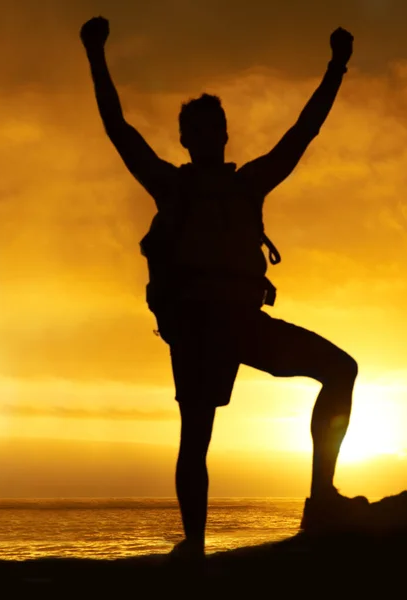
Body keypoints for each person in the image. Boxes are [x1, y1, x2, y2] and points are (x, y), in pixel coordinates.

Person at [80, 16, 368, 559]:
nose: (211, 136)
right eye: (201, 129)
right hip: (197, 329)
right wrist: (95, 54)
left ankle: (321, 498)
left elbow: (302, 134)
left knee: (340, 370)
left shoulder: (248, 185)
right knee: (196, 435)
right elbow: (118, 128)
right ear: (188, 139)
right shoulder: (171, 187)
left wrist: (336, 68)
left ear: (224, 134)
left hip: (243, 325)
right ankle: (193, 545)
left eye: (218, 127)